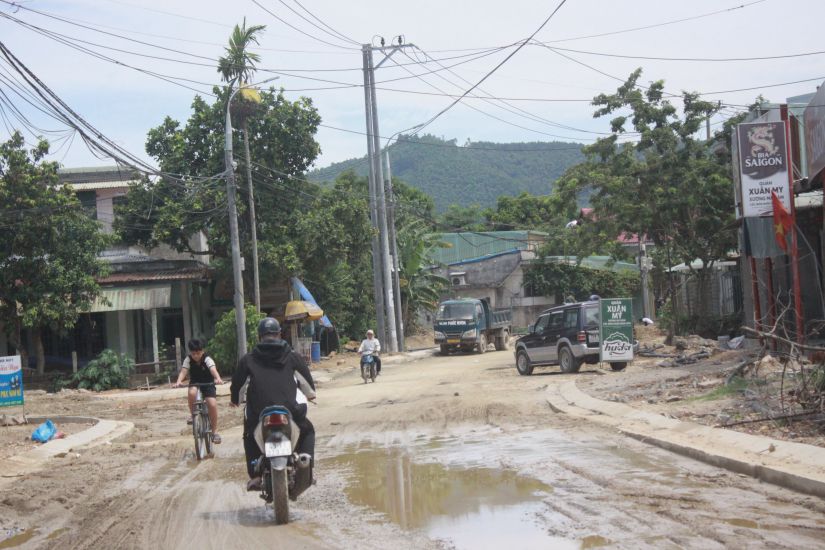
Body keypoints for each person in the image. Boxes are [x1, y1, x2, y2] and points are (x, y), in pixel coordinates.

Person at [230, 317, 316, 492]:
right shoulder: (292, 356)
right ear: (279, 334)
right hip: (290, 409)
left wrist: (235, 400)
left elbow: (237, 385)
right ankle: (308, 468)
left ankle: (255, 476)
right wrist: (310, 395)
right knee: (307, 430)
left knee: (249, 433)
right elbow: (306, 382)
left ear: (260, 336)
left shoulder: (248, 359)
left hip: (259, 411)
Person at [174, 339, 224, 444]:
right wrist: (178, 381)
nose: (196, 356)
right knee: (191, 393)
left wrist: (218, 378)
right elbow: (183, 371)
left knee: (212, 404)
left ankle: (215, 432)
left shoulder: (207, 359)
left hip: (208, 383)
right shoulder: (188, 359)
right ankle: (193, 415)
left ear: (202, 351)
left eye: (198, 353)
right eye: (193, 353)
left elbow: (213, 370)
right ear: (190, 353)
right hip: (195, 382)